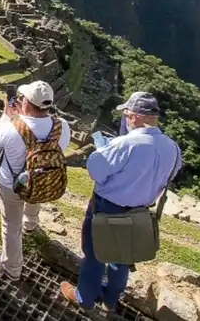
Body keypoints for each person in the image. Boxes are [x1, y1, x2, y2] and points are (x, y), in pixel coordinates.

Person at [60, 92, 182, 312]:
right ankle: (110, 300)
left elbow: (96, 171)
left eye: (126, 114)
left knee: (96, 254)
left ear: (135, 116)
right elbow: (169, 176)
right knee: (123, 256)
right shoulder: (173, 148)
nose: (125, 119)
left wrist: (104, 150)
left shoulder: (126, 143)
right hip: (140, 212)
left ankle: (85, 298)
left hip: (108, 207)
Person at [0, 81, 71, 280]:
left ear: (25, 104)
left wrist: (6, 116)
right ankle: (31, 224)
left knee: (10, 225)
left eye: (22, 98)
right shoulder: (61, 126)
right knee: (35, 191)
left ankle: (12, 267)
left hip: (12, 185)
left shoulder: (11, 128)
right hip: (43, 179)